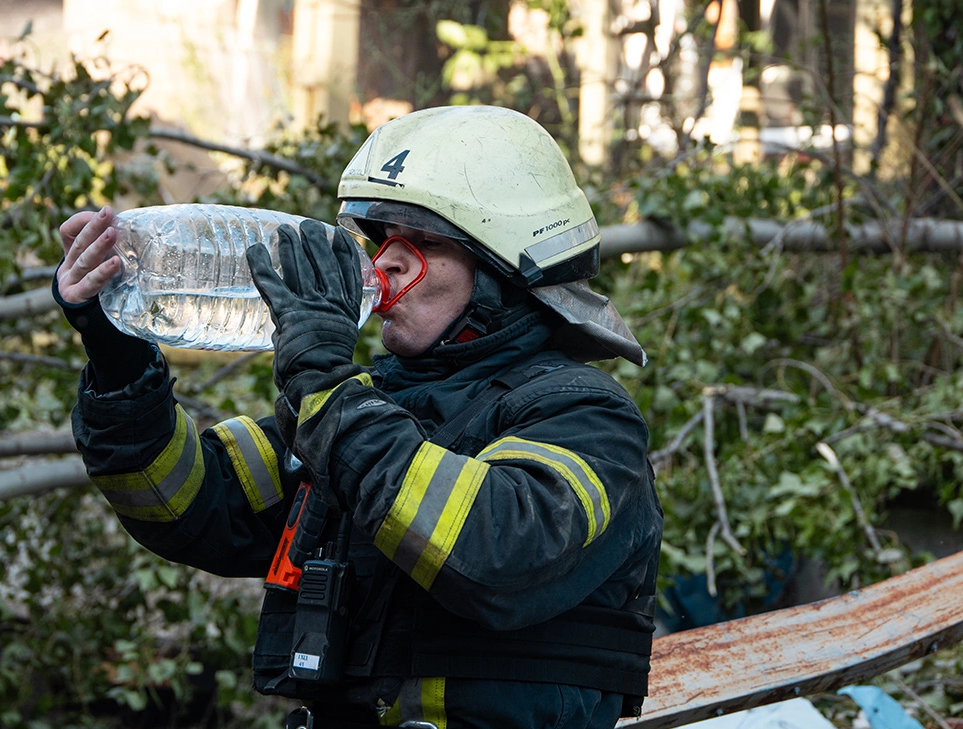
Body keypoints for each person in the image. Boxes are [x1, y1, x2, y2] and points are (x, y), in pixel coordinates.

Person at [54, 105, 662, 729]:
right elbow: (185, 505)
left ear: (503, 274)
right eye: (384, 241)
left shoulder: (586, 416)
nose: (384, 265)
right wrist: (120, 356)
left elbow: (494, 553)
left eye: (422, 243)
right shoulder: (369, 405)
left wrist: (324, 383)